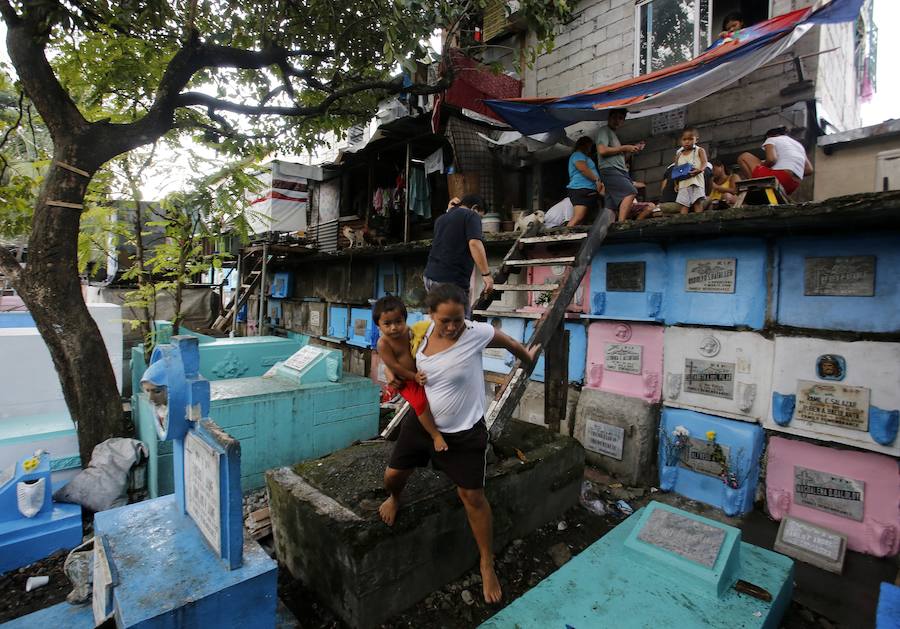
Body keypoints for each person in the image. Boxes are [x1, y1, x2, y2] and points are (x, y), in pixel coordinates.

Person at [379, 283, 537, 604]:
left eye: (457, 319)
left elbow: (506, 341)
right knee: (392, 477)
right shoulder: (419, 335)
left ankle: (486, 563)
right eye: (445, 320)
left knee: (472, 497)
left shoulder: (475, 332)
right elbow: (401, 365)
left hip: (465, 431)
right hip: (423, 424)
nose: (452, 327)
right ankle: (395, 498)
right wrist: (396, 377)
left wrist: (527, 359)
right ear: (431, 316)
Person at [372, 295, 445, 452]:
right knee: (420, 404)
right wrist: (413, 377)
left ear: (405, 319)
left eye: (398, 321)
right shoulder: (383, 343)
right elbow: (394, 366)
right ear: (378, 325)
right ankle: (435, 435)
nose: (394, 327)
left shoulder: (409, 331)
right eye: (387, 324)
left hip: (419, 375)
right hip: (406, 381)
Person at [424, 194, 493, 317]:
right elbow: (475, 243)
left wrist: (450, 211)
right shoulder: (472, 215)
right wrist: (486, 274)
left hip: (430, 277)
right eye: (481, 217)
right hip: (451, 280)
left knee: (440, 320)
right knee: (460, 324)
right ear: (475, 208)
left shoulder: (441, 219)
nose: (479, 221)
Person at [596, 108, 645, 222]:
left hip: (617, 169)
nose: (617, 121)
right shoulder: (604, 130)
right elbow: (602, 150)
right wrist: (624, 147)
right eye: (614, 117)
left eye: (620, 118)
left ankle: (606, 228)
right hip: (611, 170)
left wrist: (630, 150)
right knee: (631, 191)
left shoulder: (613, 135)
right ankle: (621, 223)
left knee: (611, 205)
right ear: (609, 117)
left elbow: (617, 157)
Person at [738, 127, 813, 196]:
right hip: (792, 185)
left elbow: (771, 159)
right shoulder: (799, 146)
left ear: (769, 136)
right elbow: (809, 170)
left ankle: (753, 186)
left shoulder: (771, 139)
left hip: (780, 178)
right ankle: (756, 184)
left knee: (744, 156)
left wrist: (762, 165)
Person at [565, 136, 604, 227]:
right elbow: (582, 168)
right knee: (578, 216)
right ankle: (565, 234)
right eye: (589, 146)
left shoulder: (584, 156)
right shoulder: (578, 155)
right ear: (585, 145)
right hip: (580, 188)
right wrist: (596, 179)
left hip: (588, 189)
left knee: (583, 218)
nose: (590, 149)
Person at [673, 127, 708, 214]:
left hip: (696, 181)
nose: (687, 142)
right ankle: (683, 223)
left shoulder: (699, 150)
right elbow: (676, 170)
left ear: (696, 140)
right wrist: (676, 183)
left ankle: (699, 221)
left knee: (697, 202)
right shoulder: (679, 155)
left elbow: (704, 163)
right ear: (681, 141)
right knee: (684, 204)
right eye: (684, 139)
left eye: (690, 139)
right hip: (683, 184)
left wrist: (700, 170)